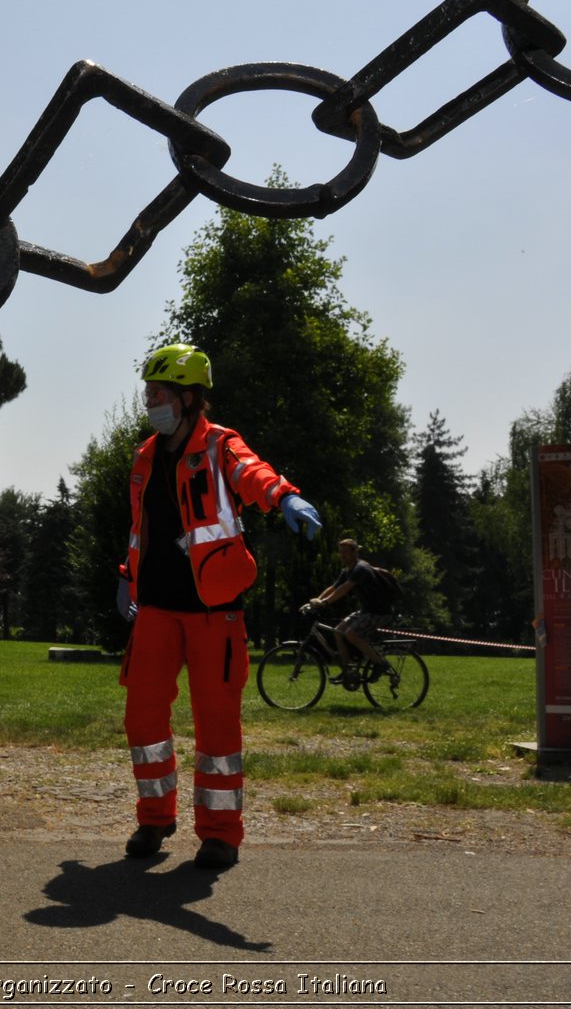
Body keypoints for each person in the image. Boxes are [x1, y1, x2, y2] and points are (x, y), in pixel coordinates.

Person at [118, 343, 321, 870]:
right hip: (157, 609)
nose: (150, 402)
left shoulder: (219, 446)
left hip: (216, 612)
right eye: (148, 394)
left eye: (158, 394)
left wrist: (283, 497)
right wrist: (126, 578)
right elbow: (141, 530)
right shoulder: (144, 456)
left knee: (218, 727)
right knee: (142, 719)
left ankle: (220, 833)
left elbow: (254, 472)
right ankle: (154, 818)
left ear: (188, 398)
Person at [304, 537, 395, 687]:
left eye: (345, 552)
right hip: (367, 610)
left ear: (355, 552)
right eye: (340, 552)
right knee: (338, 631)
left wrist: (325, 603)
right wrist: (316, 601)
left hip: (380, 612)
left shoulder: (361, 568)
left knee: (351, 634)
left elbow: (344, 589)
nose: (342, 555)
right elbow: (333, 588)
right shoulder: (347, 570)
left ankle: (380, 663)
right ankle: (348, 671)